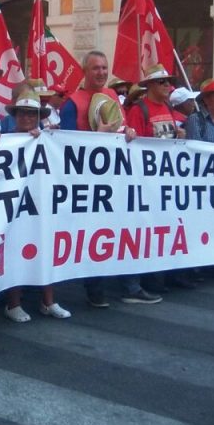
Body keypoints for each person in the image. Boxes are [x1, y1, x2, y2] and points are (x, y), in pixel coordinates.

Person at [58, 51, 159, 307]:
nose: (101, 73)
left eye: (104, 68)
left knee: (127, 229)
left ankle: (131, 286)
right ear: (85, 71)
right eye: (95, 68)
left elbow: (120, 126)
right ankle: (95, 287)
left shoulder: (113, 96)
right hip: (90, 183)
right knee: (96, 235)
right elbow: (65, 145)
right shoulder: (72, 103)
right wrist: (96, 137)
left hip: (118, 177)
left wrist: (130, 132)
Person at [1, 80, 72, 322]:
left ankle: (48, 301)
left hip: (42, 202)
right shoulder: (4, 139)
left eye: (32, 113)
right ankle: (13, 304)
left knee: (46, 248)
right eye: (23, 112)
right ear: (16, 115)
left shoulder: (47, 138)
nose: (27, 117)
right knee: (16, 251)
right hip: (15, 205)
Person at [125, 64, 185, 140]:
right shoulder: (137, 110)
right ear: (149, 84)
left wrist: (179, 137)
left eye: (169, 81)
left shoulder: (168, 106)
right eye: (161, 81)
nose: (167, 84)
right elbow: (135, 144)